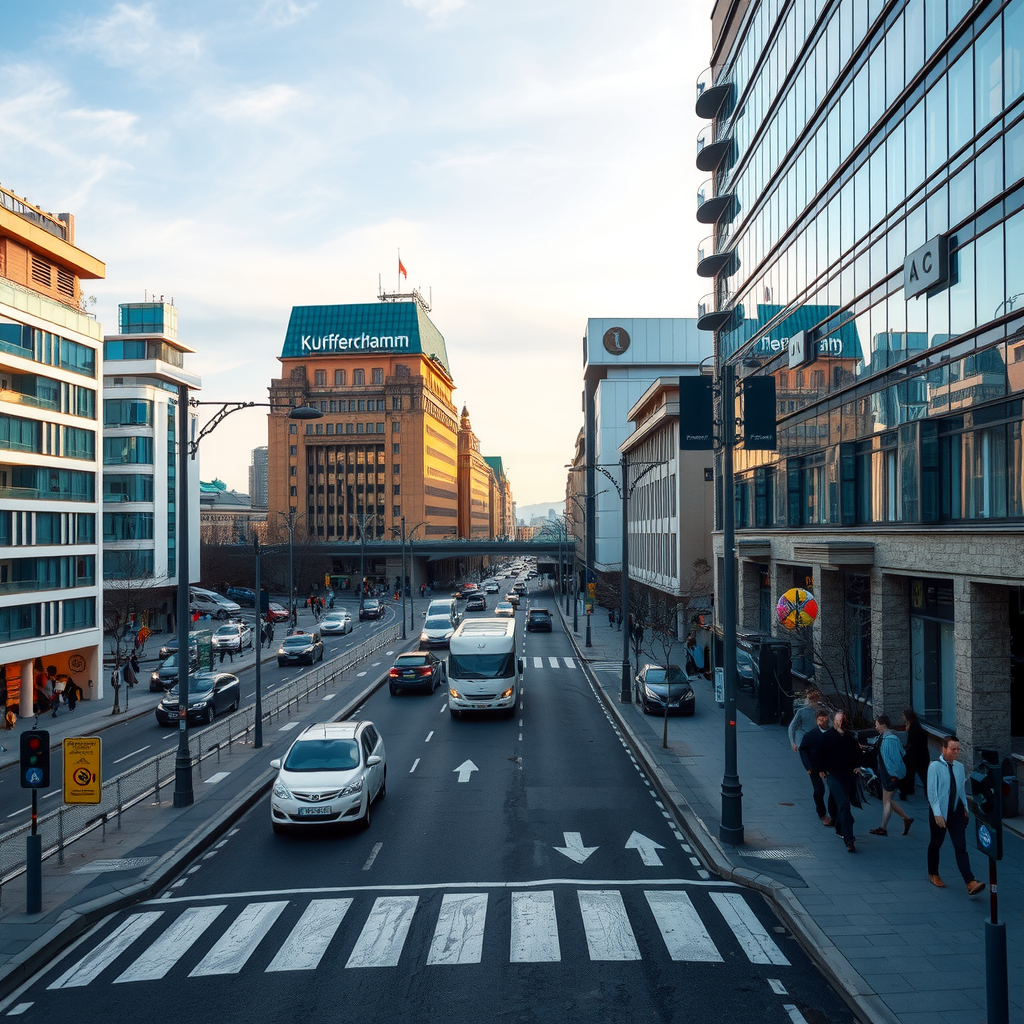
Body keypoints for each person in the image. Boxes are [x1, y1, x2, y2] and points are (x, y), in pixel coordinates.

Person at [926, 735, 985, 894]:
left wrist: (965, 808)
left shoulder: (959, 767)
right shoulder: (934, 767)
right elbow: (932, 792)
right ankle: (933, 873)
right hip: (940, 811)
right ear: (943, 748)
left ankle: (970, 882)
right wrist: (937, 813)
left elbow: (960, 790)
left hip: (956, 811)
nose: (956, 752)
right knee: (936, 843)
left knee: (961, 847)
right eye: (953, 749)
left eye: (958, 749)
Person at [815, 711, 863, 852]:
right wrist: (821, 769)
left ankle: (840, 825)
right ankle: (849, 839)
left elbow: (858, 754)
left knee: (842, 804)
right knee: (844, 804)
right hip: (833, 776)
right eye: (837, 721)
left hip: (847, 775)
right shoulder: (827, 737)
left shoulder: (849, 738)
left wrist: (857, 766)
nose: (839, 723)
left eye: (842, 721)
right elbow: (818, 754)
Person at [869, 715, 913, 836]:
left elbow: (896, 759)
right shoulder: (884, 737)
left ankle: (883, 827)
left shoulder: (890, 739)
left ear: (883, 724)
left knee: (887, 801)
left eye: (877, 724)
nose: (875, 726)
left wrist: (893, 776)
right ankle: (907, 818)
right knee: (887, 800)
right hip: (886, 774)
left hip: (890, 775)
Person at [798, 708, 837, 826]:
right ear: (816, 720)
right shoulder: (811, 735)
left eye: (824, 719)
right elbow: (802, 749)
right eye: (819, 720)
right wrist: (808, 767)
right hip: (815, 767)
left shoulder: (833, 734)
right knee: (819, 790)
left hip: (830, 766)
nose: (822, 722)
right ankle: (822, 813)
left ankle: (834, 814)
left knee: (834, 790)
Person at [899, 708, 930, 800]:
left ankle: (905, 792)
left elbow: (911, 743)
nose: (902, 717)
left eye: (903, 716)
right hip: (922, 756)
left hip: (915, 757)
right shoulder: (917, 725)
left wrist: (904, 748)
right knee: (923, 776)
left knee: (909, 775)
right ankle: (926, 794)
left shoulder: (913, 727)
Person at [788, 687, 824, 753]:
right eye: (812, 700)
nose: (814, 702)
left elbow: (830, 726)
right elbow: (792, 727)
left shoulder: (823, 711)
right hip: (806, 742)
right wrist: (793, 743)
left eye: (816, 700)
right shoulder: (802, 712)